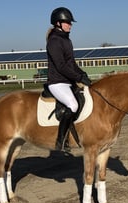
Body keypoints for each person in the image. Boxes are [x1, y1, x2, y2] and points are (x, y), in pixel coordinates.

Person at [46, 7, 92, 151]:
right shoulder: (54, 41)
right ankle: (61, 140)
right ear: (58, 23)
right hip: (57, 82)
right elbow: (61, 66)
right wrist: (78, 77)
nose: (70, 25)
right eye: (67, 22)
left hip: (67, 81)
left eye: (70, 23)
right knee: (73, 105)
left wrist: (83, 74)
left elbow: (71, 63)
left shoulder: (66, 40)